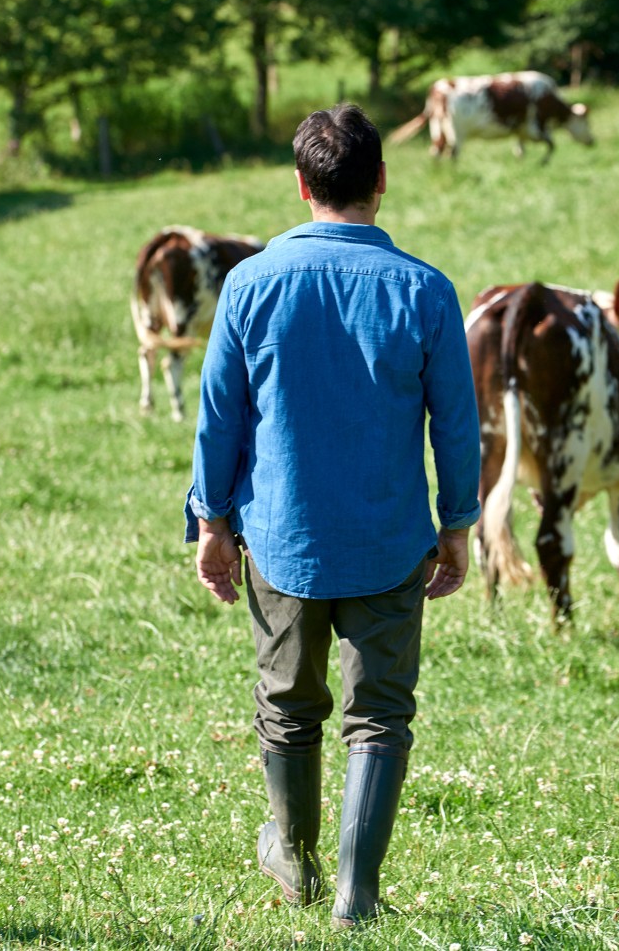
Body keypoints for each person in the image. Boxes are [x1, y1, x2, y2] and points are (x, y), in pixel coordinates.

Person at [184, 103, 481, 929]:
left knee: (287, 705)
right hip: (392, 543)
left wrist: (211, 525)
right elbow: (458, 423)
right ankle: (358, 894)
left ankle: (297, 861)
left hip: (281, 539)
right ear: (381, 183)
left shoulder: (249, 283)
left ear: (301, 185)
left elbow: (219, 419)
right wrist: (457, 526)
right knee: (380, 713)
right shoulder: (426, 290)